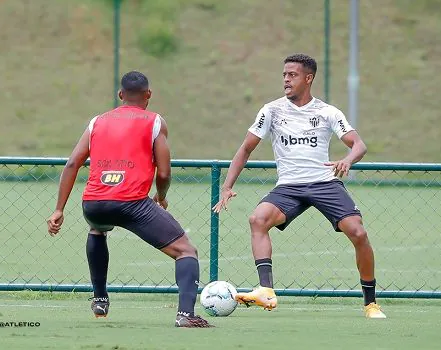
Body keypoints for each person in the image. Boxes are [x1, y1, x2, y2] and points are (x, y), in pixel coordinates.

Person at [212, 54, 386, 319]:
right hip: (289, 186)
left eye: (292, 75)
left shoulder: (327, 112)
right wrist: (227, 186)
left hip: (324, 183)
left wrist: (348, 159)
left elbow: (359, 145)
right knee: (257, 219)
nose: (286, 80)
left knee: (358, 233)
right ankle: (266, 291)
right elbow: (245, 148)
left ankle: (371, 303)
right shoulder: (271, 110)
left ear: (308, 78)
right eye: (284, 75)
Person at [47, 71, 213, 328]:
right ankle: (186, 316)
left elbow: (72, 163)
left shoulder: (97, 122)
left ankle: (100, 299)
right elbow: (165, 171)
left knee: (97, 229)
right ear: (148, 95)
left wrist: (59, 209)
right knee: (186, 251)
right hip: (133, 203)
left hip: (94, 203)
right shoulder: (155, 121)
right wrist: (161, 196)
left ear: (120, 95)